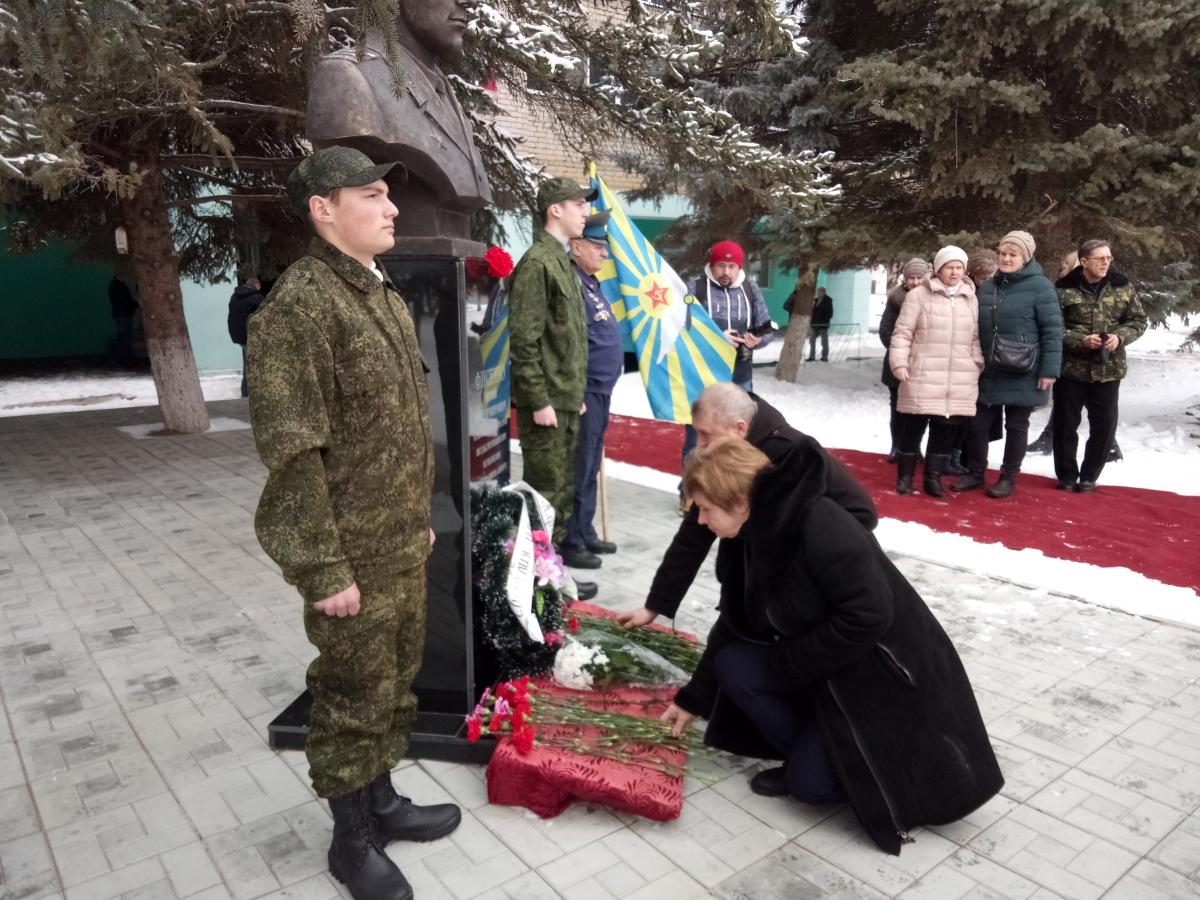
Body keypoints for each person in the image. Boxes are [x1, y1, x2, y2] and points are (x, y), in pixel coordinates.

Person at [247, 146, 460, 900]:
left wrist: (419, 519)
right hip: (349, 555)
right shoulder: (301, 308)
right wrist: (322, 569)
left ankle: (382, 800)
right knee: (349, 695)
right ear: (322, 208)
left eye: (387, 193)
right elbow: (294, 453)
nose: (392, 206)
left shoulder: (380, 294)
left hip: (396, 538)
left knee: (394, 682)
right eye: (371, 194)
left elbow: (398, 429)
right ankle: (351, 840)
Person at [660, 439, 1003, 855]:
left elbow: (870, 615)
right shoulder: (748, 536)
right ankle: (817, 740)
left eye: (706, 509)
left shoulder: (819, 525)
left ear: (740, 502)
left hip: (878, 679)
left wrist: (791, 662)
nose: (700, 521)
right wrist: (691, 699)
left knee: (809, 786)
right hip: (824, 667)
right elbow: (733, 624)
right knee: (735, 663)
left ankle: (848, 762)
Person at [618, 382, 877, 630]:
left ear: (740, 428)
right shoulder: (725, 457)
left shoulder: (792, 453)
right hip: (753, 590)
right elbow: (693, 534)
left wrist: (796, 561)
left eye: (705, 433)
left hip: (809, 598)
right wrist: (655, 604)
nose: (698, 443)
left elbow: (862, 513)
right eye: (696, 431)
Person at [509, 177, 599, 599]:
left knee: (560, 498)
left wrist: (571, 396)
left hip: (565, 401)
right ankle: (532, 587)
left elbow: (567, 337)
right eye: (579, 204)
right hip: (547, 405)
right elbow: (524, 341)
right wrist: (540, 400)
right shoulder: (537, 264)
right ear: (554, 210)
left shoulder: (562, 261)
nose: (585, 212)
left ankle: (552, 578)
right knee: (544, 498)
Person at [954, 232, 1062, 498]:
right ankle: (976, 472)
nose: (1006, 258)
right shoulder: (989, 287)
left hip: (1024, 368)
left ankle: (1008, 476)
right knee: (977, 424)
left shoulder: (1041, 287)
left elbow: (1052, 330)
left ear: (1025, 257)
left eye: (1013, 254)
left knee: (1016, 425)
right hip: (989, 368)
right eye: (1003, 253)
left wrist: (1049, 370)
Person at [678, 241, 773, 512]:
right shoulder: (694, 288)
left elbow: (767, 327)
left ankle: (729, 488)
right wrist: (716, 338)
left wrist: (757, 340)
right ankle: (690, 493)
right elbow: (681, 326)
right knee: (697, 436)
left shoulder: (750, 289)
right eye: (721, 265)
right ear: (711, 264)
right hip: (702, 375)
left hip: (739, 374)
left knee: (737, 434)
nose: (726, 272)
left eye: (732, 266)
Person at [888, 246, 984, 497]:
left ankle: (933, 480)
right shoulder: (919, 295)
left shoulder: (970, 297)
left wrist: (977, 362)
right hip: (923, 370)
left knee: (944, 429)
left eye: (959, 267)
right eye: (949, 267)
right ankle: (905, 478)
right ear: (939, 269)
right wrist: (899, 362)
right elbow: (903, 332)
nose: (954, 272)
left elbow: (975, 337)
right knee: (914, 424)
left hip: (958, 374)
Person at [1052, 239, 1147, 492]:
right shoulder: (1062, 289)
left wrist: (1120, 337)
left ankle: (1089, 476)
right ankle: (1067, 476)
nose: (1106, 262)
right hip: (1071, 370)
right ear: (1084, 262)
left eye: (1109, 258)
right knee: (1065, 425)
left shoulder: (1122, 286)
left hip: (1108, 369)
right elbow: (1052, 328)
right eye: (1100, 258)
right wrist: (1080, 340)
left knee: (1104, 426)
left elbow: (1138, 320)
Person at [560, 211, 622, 569]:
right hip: (585, 392)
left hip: (601, 389)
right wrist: (577, 390)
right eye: (598, 246)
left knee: (589, 467)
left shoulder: (591, 283)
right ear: (578, 245)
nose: (604, 254)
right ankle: (570, 541)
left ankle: (583, 531)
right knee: (579, 467)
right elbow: (570, 342)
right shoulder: (572, 282)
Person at [880, 259, 929, 462]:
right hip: (897, 363)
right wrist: (901, 353)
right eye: (912, 277)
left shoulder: (933, 299)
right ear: (905, 279)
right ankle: (896, 446)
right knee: (897, 408)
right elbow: (885, 331)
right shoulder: (896, 300)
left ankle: (914, 448)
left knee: (918, 411)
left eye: (919, 277)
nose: (916, 281)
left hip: (923, 364)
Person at [227, 275, 263, 398]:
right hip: (250, 336)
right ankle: (248, 393)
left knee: (248, 363)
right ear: (256, 285)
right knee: (251, 365)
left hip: (238, 335)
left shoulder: (235, 296)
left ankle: (247, 391)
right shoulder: (257, 298)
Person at [108, 275, 137, 366]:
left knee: (121, 336)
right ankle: (121, 358)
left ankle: (119, 358)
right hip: (124, 314)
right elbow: (125, 301)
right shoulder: (120, 286)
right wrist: (136, 304)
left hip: (120, 314)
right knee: (124, 337)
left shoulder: (114, 286)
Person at [807, 286, 833, 361]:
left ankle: (824, 357)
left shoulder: (828, 301)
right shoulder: (815, 300)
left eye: (820, 292)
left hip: (823, 325)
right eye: (818, 292)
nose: (818, 293)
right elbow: (813, 311)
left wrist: (823, 319)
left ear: (824, 292)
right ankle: (812, 357)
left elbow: (830, 314)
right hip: (815, 324)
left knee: (824, 341)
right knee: (812, 340)